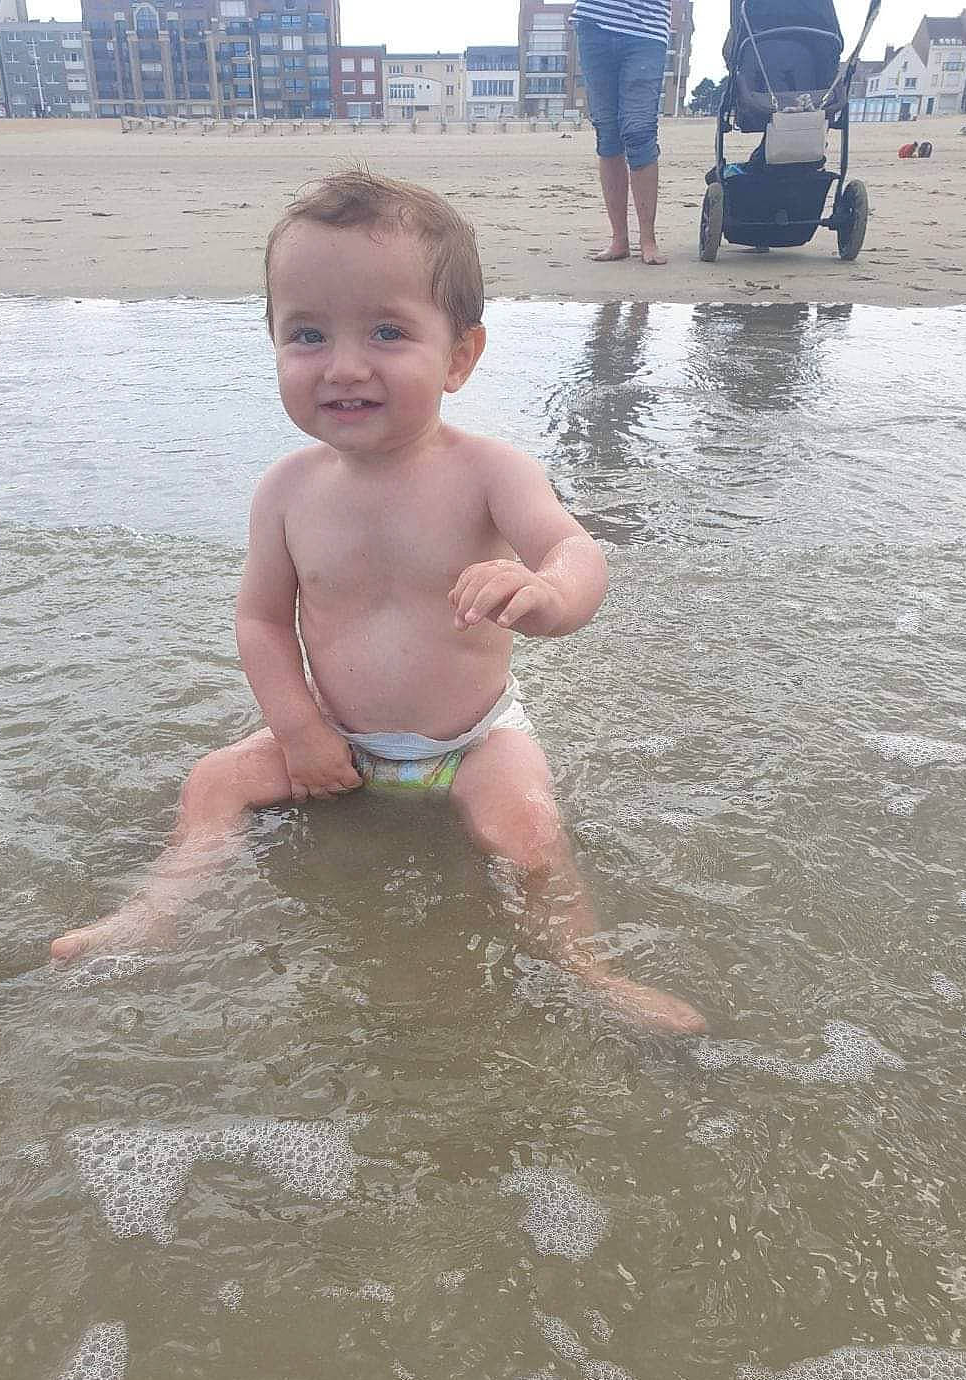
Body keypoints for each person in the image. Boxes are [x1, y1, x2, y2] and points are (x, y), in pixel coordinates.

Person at [50, 171, 704, 1035]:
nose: (344, 366)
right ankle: (159, 910)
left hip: (472, 741)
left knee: (531, 835)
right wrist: (298, 730)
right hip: (337, 736)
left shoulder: (490, 472)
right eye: (308, 334)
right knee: (214, 781)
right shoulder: (286, 490)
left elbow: (577, 552)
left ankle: (584, 966)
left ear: (460, 356)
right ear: (274, 345)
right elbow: (260, 619)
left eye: (387, 331)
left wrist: (547, 594)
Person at [572, 0, 671, 265]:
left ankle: (647, 240)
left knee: (639, 131)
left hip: (647, 30)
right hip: (594, 22)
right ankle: (619, 239)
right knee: (607, 131)